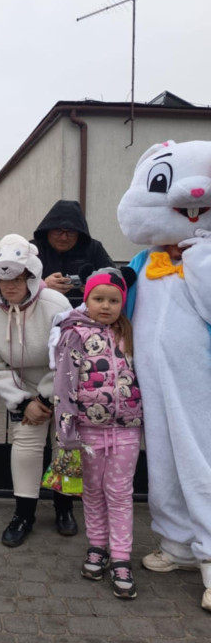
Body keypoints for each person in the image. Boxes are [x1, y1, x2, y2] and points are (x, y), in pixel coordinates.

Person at [118, 139, 211, 613]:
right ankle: (177, 545)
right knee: (165, 465)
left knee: (201, 461)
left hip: (199, 384)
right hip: (151, 382)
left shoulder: (205, 256)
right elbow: (115, 302)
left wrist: (196, 255)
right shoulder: (143, 261)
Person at [53, 267, 142, 599]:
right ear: (86, 299)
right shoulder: (73, 333)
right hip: (88, 429)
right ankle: (97, 547)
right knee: (92, 491)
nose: (106, 306)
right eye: (98, 298)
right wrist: (67, 431)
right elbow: (64, 383)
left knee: (119, 493)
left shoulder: (131, 332)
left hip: (127, 429)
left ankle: (121, 558)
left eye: (114, 300)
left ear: (123, 302)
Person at [0, 234, 72, 547]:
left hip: (61, 383)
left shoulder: (56, 304)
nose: (12, 286)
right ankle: (24, 514)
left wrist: (45, 397)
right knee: (25, 446)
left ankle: (64, 507)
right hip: (22, 388)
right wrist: (24, 400)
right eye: (5, 280)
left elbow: (68, 354)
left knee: (64, 443)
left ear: (31, 277)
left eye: (20, 278)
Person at [32, 200, 113, 306]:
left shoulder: (93, 248)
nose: (64, 237)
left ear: (79, 233)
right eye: (57, 231)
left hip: (84, 314)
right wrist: (43, 285)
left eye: (70, 232)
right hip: (40, 310)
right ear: (47, 230)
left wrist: (96, 284)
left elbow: (115, 280)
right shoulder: (32, 249)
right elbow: (12, 284)